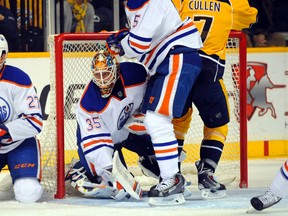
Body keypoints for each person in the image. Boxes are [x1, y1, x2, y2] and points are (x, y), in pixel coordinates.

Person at [106, 0, 203, 206]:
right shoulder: (133, 3)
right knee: (147, 120)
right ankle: (170, 175)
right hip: (165, 61)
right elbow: (141, 40)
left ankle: (171, 179)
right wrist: (124, 38)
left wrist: (121, 44)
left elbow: (138, 45)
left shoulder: (154, 1)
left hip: (177, 56)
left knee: (157, 119)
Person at [172, 0, 257, 198]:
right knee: (218, 125)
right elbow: (250, 18)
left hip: (180, 69)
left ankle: (171, 174)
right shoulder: (231, 3)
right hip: (208, 74)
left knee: (176, 123)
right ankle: (207, 171)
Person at [65, 50, 157, 200]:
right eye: (97, 75)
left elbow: (154, 85)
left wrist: (146, 112)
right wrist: (111, 172)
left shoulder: (135, 74)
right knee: (108, 180)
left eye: (106, 74)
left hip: (127, 131)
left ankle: (156, 166)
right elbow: (97, 143)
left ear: (116, 70)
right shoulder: (89, 103)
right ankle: (78, 169)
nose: (102, 80)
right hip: (102, 141)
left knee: (160, 147)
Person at [0, 34, 43, 203]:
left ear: (4, 55)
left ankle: (20, 176)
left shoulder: (18, 79)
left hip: (18, 144)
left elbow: (35, 121)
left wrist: (5, 130)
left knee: (28, 193)